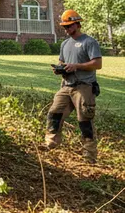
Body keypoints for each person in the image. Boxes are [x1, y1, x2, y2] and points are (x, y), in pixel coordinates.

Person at [43, 9, 103, 163]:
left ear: (77, 24)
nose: (67, 29)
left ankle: (89, 158)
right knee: (54, 114)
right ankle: (50, 147)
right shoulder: (64, 44)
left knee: (85, 122)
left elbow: (97, 63)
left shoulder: (89, 42)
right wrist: (60, 68)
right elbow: (63, 62)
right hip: (66, 85)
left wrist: (77, 66)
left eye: (69, 26)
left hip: (84, 87)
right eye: (65, 27)